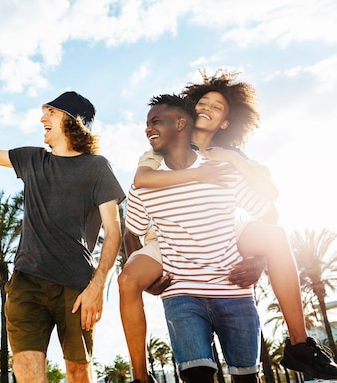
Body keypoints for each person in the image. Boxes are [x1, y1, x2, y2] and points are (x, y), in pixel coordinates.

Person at [117, 71, 337, 383]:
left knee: (274, 237)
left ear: (225, 123)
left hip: (222, 226)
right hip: (166, 235)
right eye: (202, 102)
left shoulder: (231, 157)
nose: (206, 108)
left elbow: (269, 205)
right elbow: (141, 185)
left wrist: (258, 260)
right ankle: (140, 376)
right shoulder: (160, 149)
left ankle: (299, 346)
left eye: (217, 107)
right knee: (129, 279)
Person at [0, 87, 125, 383]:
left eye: (50, 112)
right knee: (26, 372)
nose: (42, 118)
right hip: (26, 282)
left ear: (73, 120)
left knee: (78, 372)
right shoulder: (32, 159)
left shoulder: (97, 168)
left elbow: (114, 231)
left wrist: (97, 287)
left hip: (76, 287)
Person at [125, 94, 273, 383]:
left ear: (181, 123)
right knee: (196, 377)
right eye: (147, 123)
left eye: (155, 121)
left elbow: (268, 214)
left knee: (247, 378)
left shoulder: (222, 169)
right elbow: (132, 232)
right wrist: (147, 281)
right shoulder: (144, 182)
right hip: (182, 295)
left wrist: (260, 259)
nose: (147, 129)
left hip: (234, 291)